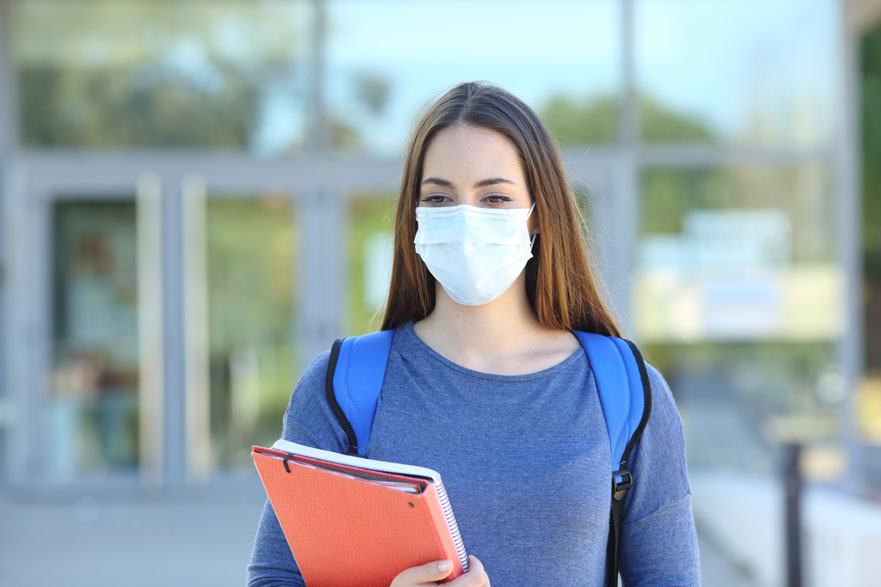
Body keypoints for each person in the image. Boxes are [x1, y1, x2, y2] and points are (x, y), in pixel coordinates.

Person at [247, 81, 700, 586]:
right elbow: (274, 578)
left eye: (495, 197)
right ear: (414, 218)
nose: (465, 221)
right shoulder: (342, 387)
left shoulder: (626, 390)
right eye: (439, 197)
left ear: (538, 216)